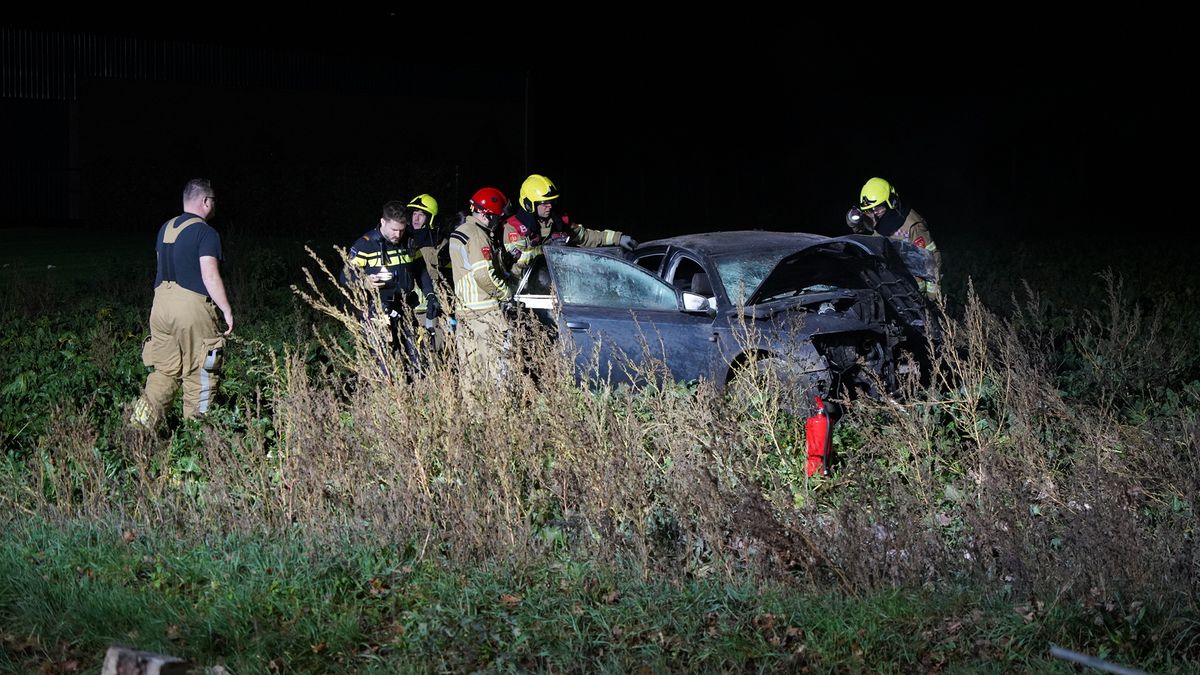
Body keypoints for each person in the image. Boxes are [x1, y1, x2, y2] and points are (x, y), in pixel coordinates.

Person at [130, 178, 233, 430]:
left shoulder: (165, 228)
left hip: (160, 307)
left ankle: (137, 428)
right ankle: (196, 439)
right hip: (191, 309)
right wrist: (226, 310)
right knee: (201, 375)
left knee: (164, 373)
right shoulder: (206, 233)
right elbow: (209, 275)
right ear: (206, 202)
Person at [339, 200, 434, 378]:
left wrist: (430, 295)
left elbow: (421, 271)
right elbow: (344, 277)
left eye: (402, 229)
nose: (398, 235)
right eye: (394, 230)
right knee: (384, 359)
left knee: (415, 355)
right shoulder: (365, 245)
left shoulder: (409, 242)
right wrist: (364, 281)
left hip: (406, 307)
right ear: (383, 222)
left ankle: (416, 394)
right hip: (378, 311)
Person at [501, 173, 638, 278]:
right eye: (544, 203)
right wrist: (548, 250)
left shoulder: (559, 221)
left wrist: (618, 238)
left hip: (557, 284)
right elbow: (517, 262)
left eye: (552, 202)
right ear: (529, 203)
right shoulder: (513, 227)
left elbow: (585, 237)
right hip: (525, 289)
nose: (549, 206)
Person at [449, 187, 515, 398]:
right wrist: (506, 294)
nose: (500, 221)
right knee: (497, 373)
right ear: (487, 215)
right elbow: (484, 276)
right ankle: (498, 420)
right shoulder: (478, 236)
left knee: (471, 373)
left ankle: (475, 421)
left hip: (465, 312)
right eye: (498, 217)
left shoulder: (461, 231)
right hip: (485, 314)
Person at [845, 177, 942, 300]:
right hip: (887, 284)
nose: (874, 214)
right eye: (870, 210)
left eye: (878, 208)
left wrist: (932, 298)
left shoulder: (912, 225)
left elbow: (932, 260)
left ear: (891, 202)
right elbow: (859, 228)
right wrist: (852, 218)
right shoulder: (877, 214)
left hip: (913, 291)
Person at [406, 193, 451, 349]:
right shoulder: (405, 240)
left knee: (437, 348)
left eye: (422, 215)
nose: (416, 219)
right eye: (414, 214)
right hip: (413, 307)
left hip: (436, 305)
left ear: (430, 218)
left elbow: (448, 275)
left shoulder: (440, 242)